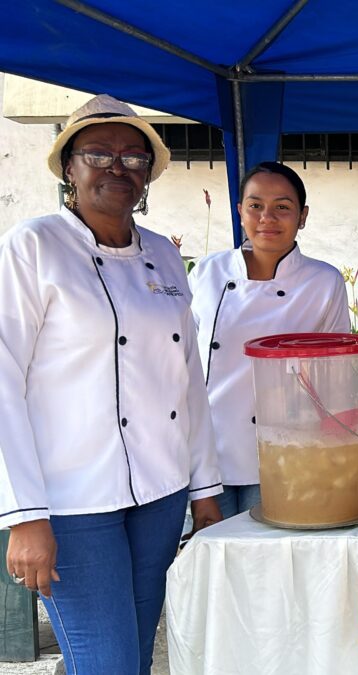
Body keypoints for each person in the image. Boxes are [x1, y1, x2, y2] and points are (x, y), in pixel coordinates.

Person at [0, 94, 223, 674]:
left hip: (160, 492)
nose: (116, 167)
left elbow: (187, 383)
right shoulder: (33, 246)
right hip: (73, 501)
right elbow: (2, 381)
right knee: (108, 664)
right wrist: (24, 515)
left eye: (133, 157)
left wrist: (204, 490)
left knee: (134, 659)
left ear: (148, 174)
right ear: (68, 168)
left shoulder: (165, 257)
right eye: (98, 154)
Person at [189, 161, 350, 519]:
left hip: (288, 450)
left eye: (282, 207)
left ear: (302, 216)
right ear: (240, 212)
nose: (267, 218)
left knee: (269, 563)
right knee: (213, 561)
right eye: (255, 206)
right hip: (209, 451)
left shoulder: (323, 282)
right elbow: (183, 361)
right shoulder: (207, 272)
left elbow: (338, 375)